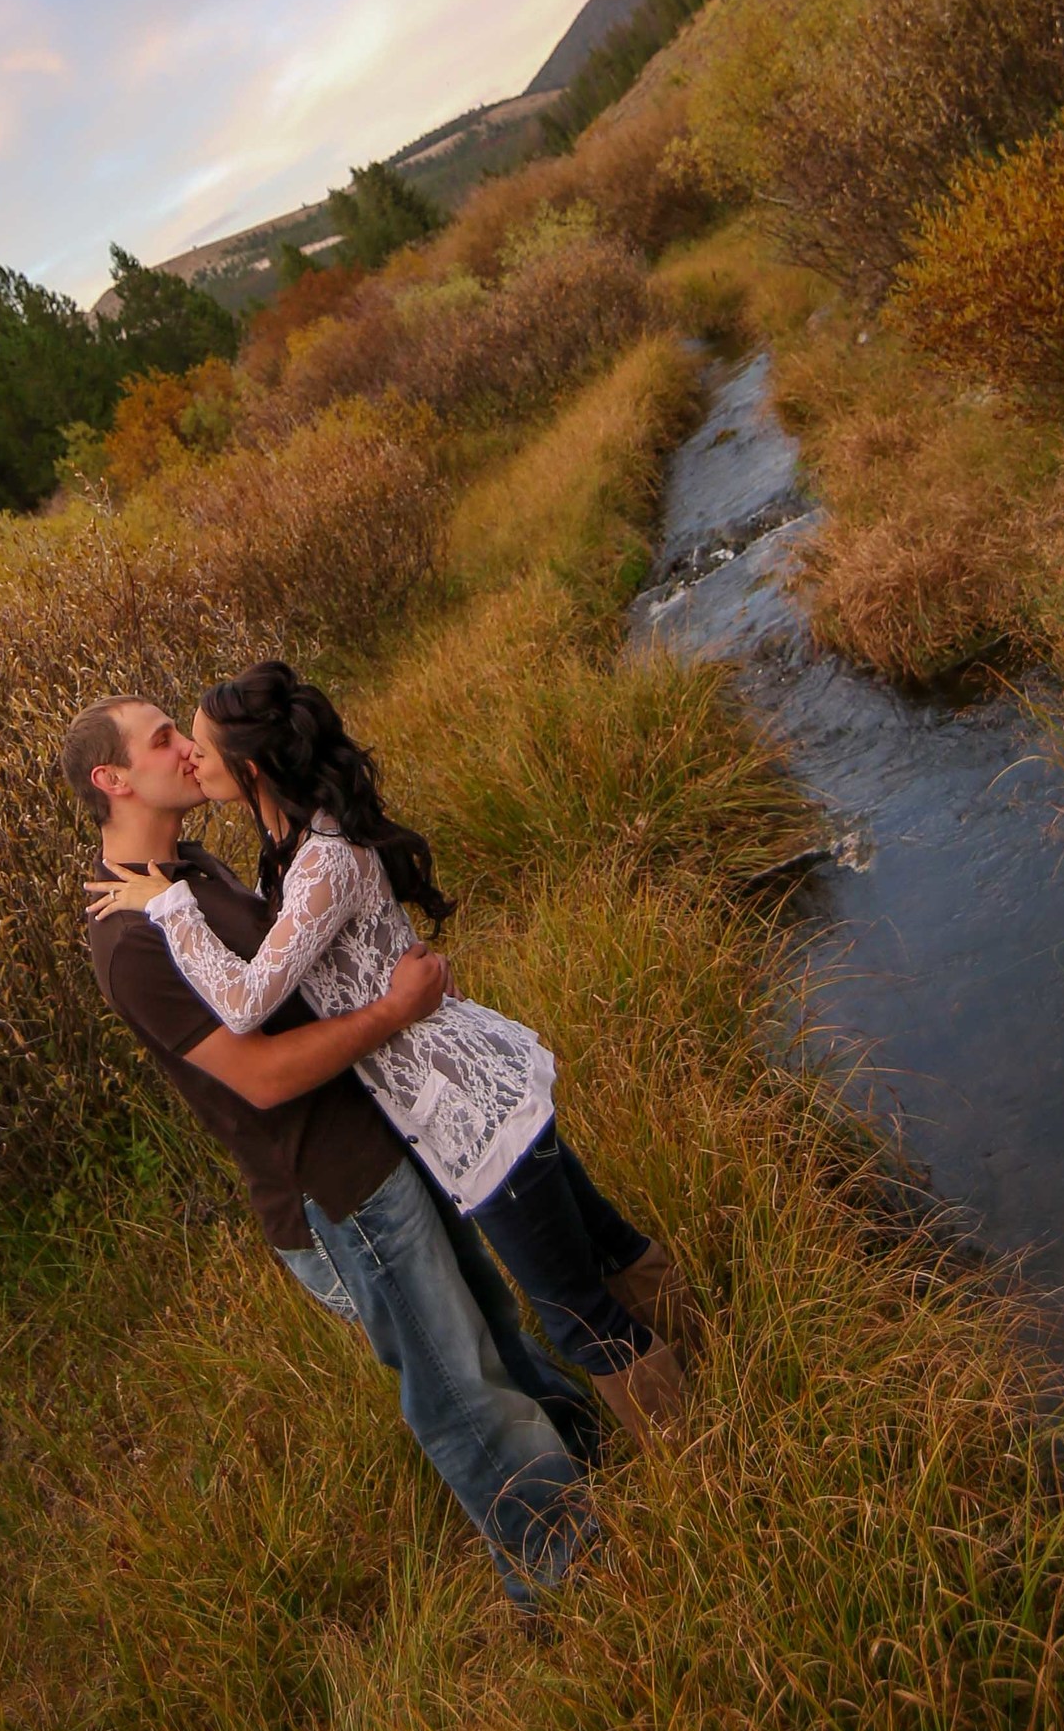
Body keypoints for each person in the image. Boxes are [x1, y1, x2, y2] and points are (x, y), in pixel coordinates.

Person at [66, 695, 599, 1607]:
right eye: (163, 740)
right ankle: (567, 1575)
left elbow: (300, 970)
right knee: (455, 1387)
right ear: (110, 781)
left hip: (385, 1141)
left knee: (490, 1331)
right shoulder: (128, 939)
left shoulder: (190, 872)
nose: (186, 752)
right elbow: (263, 1078)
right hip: (336, 1190)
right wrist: (396, 1011)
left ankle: (599, 1474)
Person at [86, 661, 692, 1446]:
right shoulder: (283, 847)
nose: (191, 759)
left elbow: (244, 999)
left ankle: (694, 1456)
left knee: (576, 1312)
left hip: (465, 1106)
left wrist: (165, 904)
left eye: (197, 744)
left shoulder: (316, 858)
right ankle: (708, 1358)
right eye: (175, 742)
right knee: (604, 1246)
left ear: (253, 766)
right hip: (464, 1097)